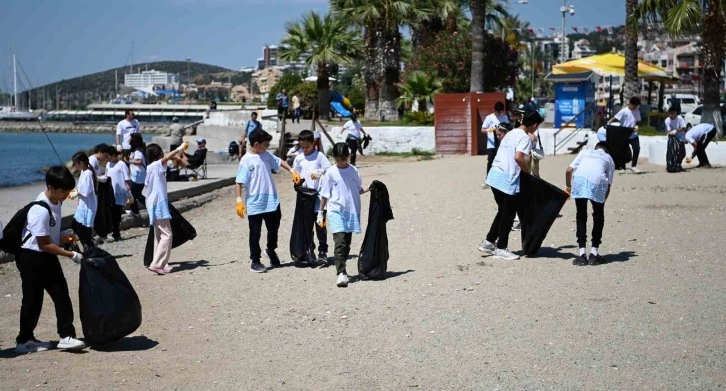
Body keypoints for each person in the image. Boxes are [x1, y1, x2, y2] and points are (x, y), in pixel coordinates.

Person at [14, 166, 86, 353]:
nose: (66, 195)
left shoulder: (57, 202)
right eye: (63, 192)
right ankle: (24, 341)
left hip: (46, 254)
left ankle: (66, 335)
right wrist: (72, 255)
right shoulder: (39, 210)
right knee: (32, 299)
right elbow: (44, 243)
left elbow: (50, 235)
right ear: (51, 187)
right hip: (31, 257)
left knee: (61, 294)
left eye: (68, 191)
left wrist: (64, 236)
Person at [478, 110, 543, 261]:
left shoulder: (511, 133)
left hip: (494, 176)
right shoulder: (524, 138)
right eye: (537, 126)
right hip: (507, 179)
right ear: (534, 124)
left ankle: (488, 242)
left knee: (503, 211)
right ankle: (501, 248)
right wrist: (528, 173)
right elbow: (519, 158)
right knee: (508, 214)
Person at [234, 129, 300, 273]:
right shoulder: (246, 160)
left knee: (273, 230)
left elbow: (279, 161)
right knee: (255, 233)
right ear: (256, 144)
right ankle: (255, 260)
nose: (267, 146)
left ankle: (270, 250)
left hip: (272, 201)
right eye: (265, 144)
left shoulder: (266, 155)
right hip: (255, 203)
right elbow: (239, 182)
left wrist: (291, 170)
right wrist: (239, 200)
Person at [318, 142, 370, 287]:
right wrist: (321, 213)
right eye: (338, 159)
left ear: (347, 157)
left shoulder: (353, 171)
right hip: (335, 210)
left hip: (351, 210)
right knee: (339, 241)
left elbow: (357, 189)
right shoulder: (330, 173)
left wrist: (370, 188)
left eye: (343, 159)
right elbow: (324, 194)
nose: (341, 162)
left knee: (346, 243)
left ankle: (343, 266)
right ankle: (341, 273)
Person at [565, 141, 615, 266]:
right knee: (598, 217)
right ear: (607, 151)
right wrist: (601, 203)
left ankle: (582, 254)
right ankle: (594, 253)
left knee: (581, 215)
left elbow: (568, 170)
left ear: (596, 148)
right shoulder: (609, 158)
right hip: (598, 182)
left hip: (579, 180)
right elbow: (608, 185)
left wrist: (568, 187)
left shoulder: (584, 152)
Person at [145, 142, 189, 275]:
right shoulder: (155, 165)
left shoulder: (150, 168)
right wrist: (179, 148)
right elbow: (166, 159)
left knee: (159, 235)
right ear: (158, 155)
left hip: (152, 203)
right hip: (158, 203)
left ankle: (161, 263)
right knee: (167, 234)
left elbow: (168, 160)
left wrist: (177, 155)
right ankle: (157, 264)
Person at [293, 130, 332, 266]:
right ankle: (310, 251)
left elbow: (330, 169)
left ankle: (323, 252)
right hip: (305, 197)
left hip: (319, 197)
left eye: (307, 146)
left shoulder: (319, 156)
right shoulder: (299, 158)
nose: (305, 149)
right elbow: (295, 173)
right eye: (302, 146)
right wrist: (297, 179)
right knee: (306, 226)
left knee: (320, 225)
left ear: (313, 143)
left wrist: (320, 171)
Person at [70, 152, 97, 252]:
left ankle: (90, 248)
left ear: (81, 163)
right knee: (75, 225)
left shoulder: (88, 173)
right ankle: (88, 246)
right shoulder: (83, 172)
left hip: (88, 207)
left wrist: (75, 193)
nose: (74, 166)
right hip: (82, 206)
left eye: (75, 163)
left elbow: (86, 191)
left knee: (84, 232)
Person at [607, 96, 642, 173]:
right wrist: (608, 123)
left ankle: (634, 166)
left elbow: (638, 121)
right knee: (622, 150)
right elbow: (615, 117)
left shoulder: (637, 111)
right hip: (623, 133)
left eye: (637, 106)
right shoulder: (624, 111)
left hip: (633, 133)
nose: (636, 107)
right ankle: (622, 167)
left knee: (637, 148)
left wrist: (637, 126)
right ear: (630, 104)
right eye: (635, 105)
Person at [106, 149, 131, 242]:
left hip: (120, 193)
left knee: (117, 215)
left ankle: (116, 233)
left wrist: (128, 192)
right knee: (110, 214)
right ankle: (110, 232)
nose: (107, 158)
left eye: (109, 156)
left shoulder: (122, 164)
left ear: (113, 155)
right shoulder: (108, 164)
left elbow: (127, 179)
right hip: (110, 193)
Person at [481, 101, 509, 186]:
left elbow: (509, 128)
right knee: (491, 161)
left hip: (502, 143)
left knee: (503, 161)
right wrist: (489, 130)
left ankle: (502, 179)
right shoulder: (489, 118)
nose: (499, 113)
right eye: (497, 111)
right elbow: (482, 130)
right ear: (494, 110)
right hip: (491, 144)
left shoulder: (504, 117)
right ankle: (488, 180)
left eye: (500, 112)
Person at [127, 134, 147, 217]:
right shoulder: (135, 151)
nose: (129, 140)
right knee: (135, 194)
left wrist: (130, 161)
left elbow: (139, 161)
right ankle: (135, 211)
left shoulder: (138, 151)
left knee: (134, 194)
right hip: (135, 176)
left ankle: (136, 211)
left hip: (139, 177)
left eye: (130, 138)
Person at [665, 107, 687, 171]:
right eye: (669, 114)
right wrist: (672, 132)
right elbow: (669, 131)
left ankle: (678, 164)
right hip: (671, 138)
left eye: (672, 114)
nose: (670, 115)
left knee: (682, 152)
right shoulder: (667, 120)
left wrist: (675, 131)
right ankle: (670, 166)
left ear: (676, 113)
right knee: (670, 152)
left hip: (680, 137)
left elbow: (683, 128)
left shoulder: (680, 118)